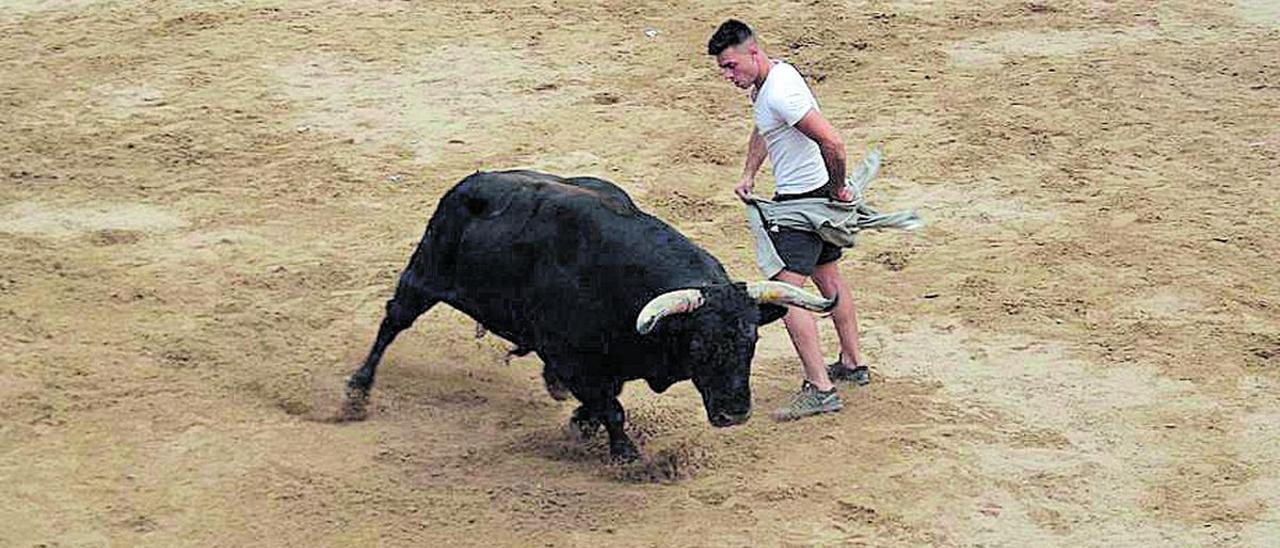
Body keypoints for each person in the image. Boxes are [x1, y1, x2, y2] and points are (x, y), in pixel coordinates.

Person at [707, 19, 870, 421]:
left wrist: (838, 190)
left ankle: (821, 389)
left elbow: (831, 140)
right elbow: (765, 128)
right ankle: (853, 364)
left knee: (783, 296)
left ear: (753, 53)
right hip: (817, 201)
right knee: (829, 280)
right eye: (723, 69)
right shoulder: (772, 79)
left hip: (801, 208)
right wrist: (749, 173)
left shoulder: (778, 92)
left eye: (731, 66)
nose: (729, 76)